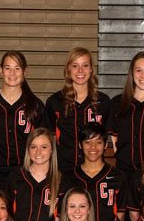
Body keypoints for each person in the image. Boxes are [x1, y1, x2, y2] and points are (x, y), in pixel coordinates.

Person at [0, 51, 49, 189]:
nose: (12, 73)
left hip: (25, 173)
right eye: (7, 68)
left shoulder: (36, 105)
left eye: (17, 68)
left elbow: (44, 144)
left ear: (25, 71)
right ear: (1, 71)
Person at [46, 47, 110, 177]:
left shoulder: (103, 102)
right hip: (63, 172)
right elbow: (49, 141)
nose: (80, 70)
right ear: (68, 69)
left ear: (91, 69)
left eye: (85, 65)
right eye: (75, 66)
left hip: (94, 172)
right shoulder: (55, 102)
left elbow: (107, 139)